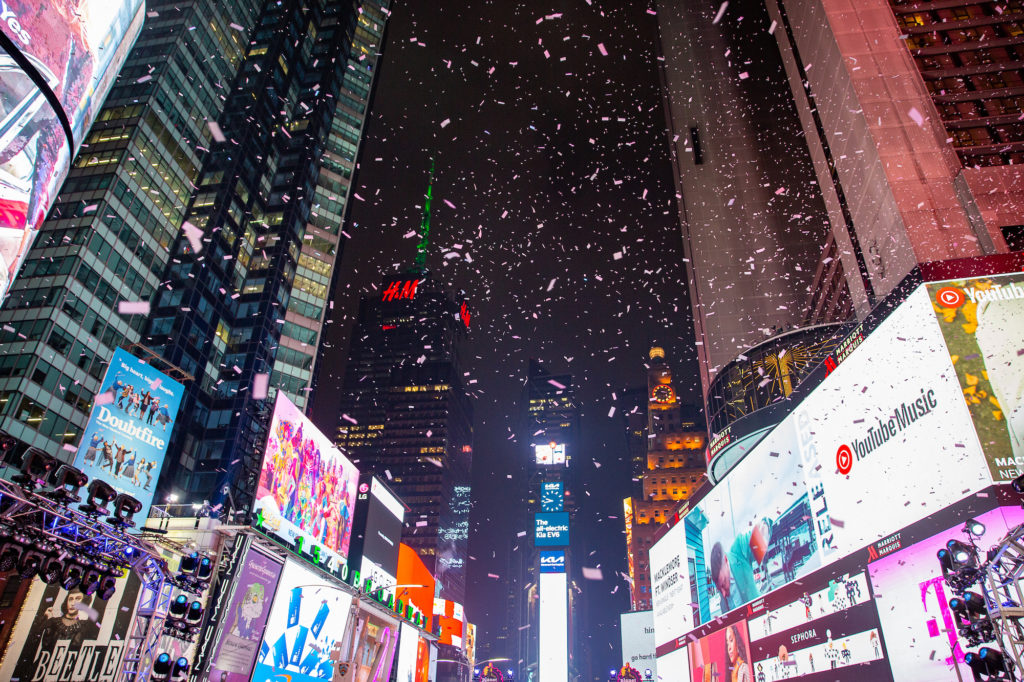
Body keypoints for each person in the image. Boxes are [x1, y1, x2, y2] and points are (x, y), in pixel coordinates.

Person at [709, 519, 772, 613]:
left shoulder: (739, 550)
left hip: (757, 616)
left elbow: (762, 530)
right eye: (719, 588)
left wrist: (765, 526)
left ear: (726, 561)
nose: (723, 594)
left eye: (723, 584)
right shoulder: (721, 579)